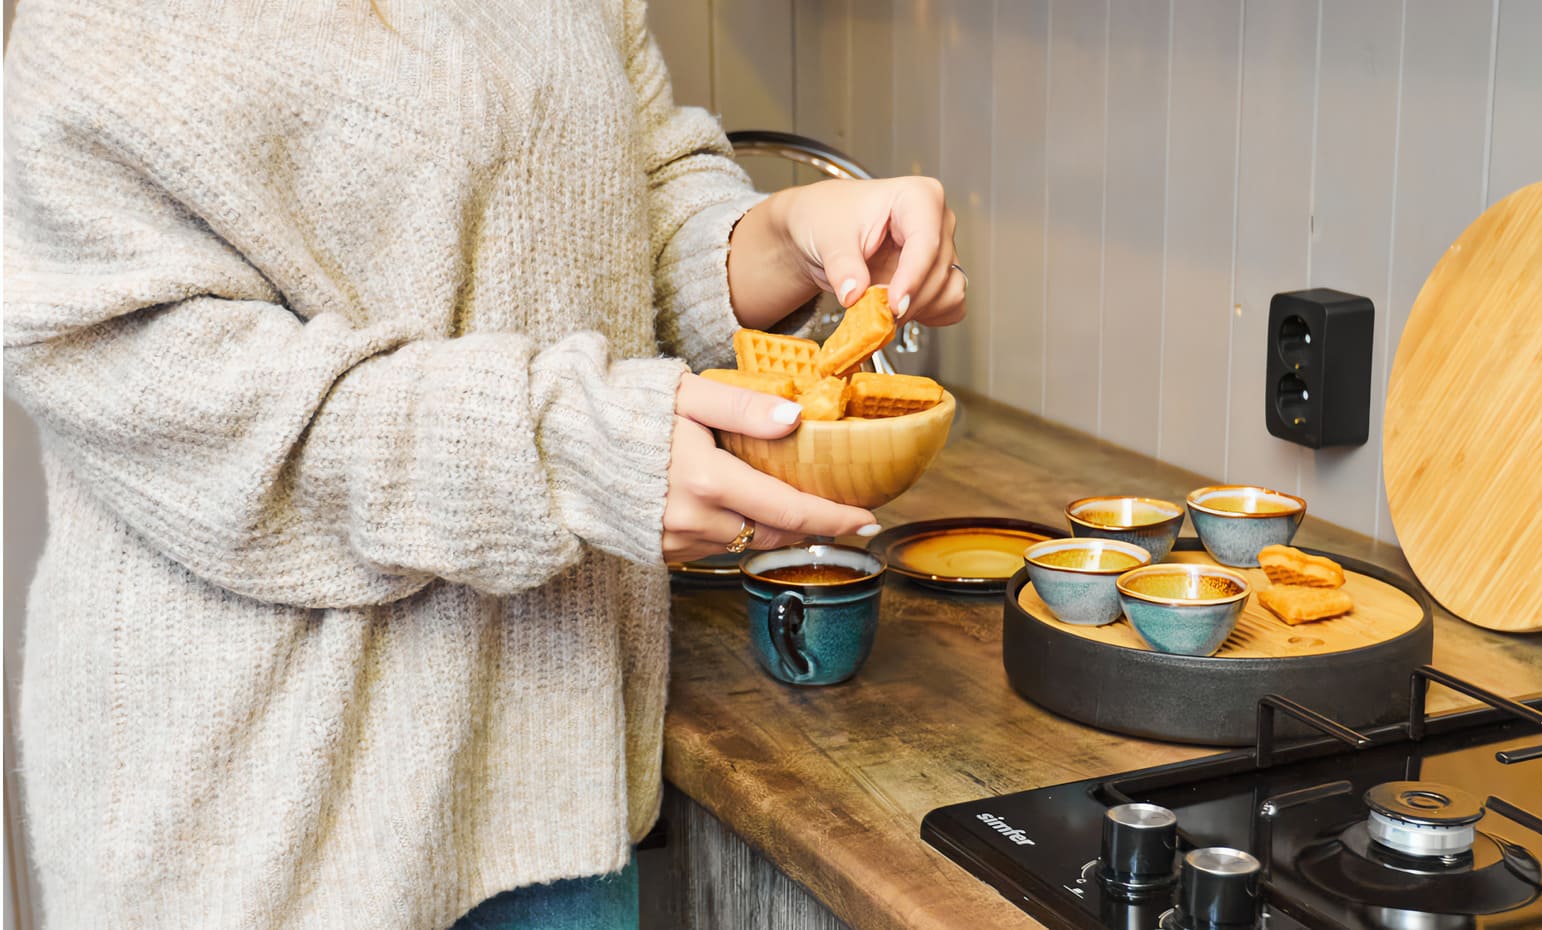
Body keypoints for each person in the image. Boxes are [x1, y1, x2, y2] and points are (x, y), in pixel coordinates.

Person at [1, 0, 966, 927]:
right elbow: (155, 380)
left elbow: (617, 204)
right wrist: (557, 450)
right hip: (266, 820)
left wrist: (786, 238)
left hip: (557, 790)